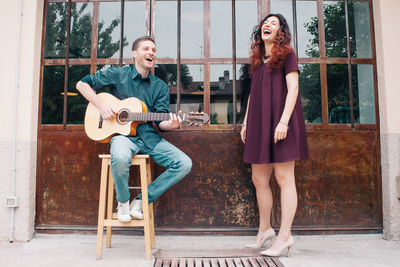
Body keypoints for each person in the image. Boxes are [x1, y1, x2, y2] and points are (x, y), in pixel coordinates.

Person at [76, 36, 192, 222]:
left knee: (184, 163)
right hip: (121, 137)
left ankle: (141, 200)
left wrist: (170, 124)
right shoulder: (118, 74)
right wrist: (101, 106)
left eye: (153, 50)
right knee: (120, 157)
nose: (151, 53)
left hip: (148, 137)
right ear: (134, 53)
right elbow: (81, 85)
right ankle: (123, 202)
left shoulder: (160, 86)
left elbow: (160, 120)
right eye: (146, 49)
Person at [240, 14, 309, 257]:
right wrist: (247, 121)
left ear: (280, 31)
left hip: (282, 122)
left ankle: (285, 236)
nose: (267, 25)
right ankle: (265, 231)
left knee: (283, 177)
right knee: (259, 178)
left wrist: (283, 121)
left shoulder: (287, 54)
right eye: (265, 23)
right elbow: (252, 95)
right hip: (259, 123)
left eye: (273, 23)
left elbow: (294, 89)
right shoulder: (258, 60)